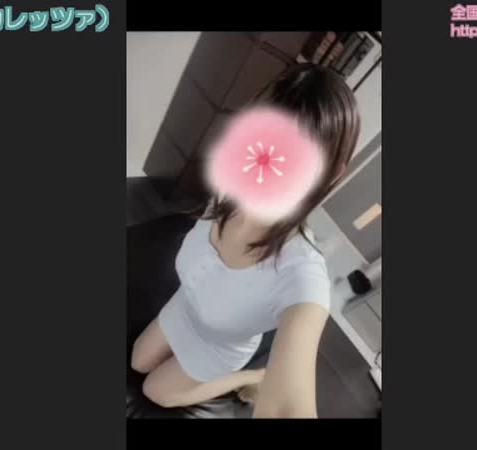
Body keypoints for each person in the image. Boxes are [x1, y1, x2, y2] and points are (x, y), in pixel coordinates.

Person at [130, 63, 361, 418]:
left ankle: (254, 377)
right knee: (138, 360)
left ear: (329, 174)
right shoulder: (225, 194)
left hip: (218, 346)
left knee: (155, 391)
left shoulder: (302, 275)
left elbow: (289, 406)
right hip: (186, 304)